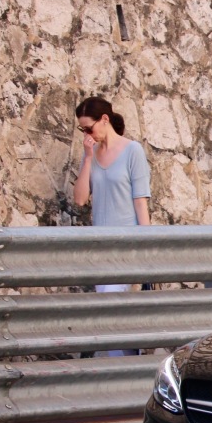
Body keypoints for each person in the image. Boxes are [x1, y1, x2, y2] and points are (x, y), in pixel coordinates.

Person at [73, 96, 151, 356]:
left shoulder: (132, 151)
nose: (87, 134)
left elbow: (141, 203)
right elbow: (81, 199)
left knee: (115, 315)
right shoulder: (92, 154)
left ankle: (121, 377)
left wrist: (147, 249)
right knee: (111, 321)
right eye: (82, 130)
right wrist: (86, 158)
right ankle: (121, 376)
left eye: (89, 128)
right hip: (101, 250)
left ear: (104, 120)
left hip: (127, 248)